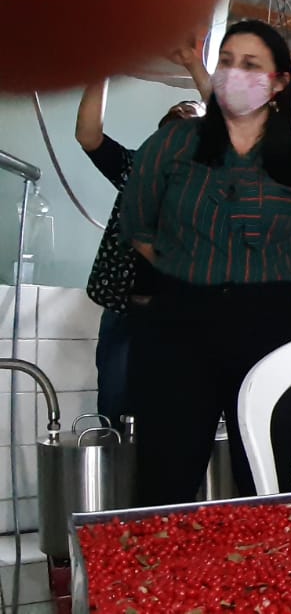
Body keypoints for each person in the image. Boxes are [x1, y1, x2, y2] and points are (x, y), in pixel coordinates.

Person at [119, 19, 291, 506]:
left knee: (264, 478)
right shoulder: (171, 147)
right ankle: (159, 579)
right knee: (165, 479)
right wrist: (192, 268)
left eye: (250, 65)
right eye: (225, 61)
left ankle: (261, 577)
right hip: (177, 325)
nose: (233, 74)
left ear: (279, 81)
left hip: (269, 328)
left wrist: (261, 272)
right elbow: (137, 225)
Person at [76, 38, 210, 432]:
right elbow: (88, 135)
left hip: (180, 317)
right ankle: (121, 492)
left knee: (171, 418)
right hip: (125, 312)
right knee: (115, 411)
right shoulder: (138, 172)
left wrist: (196, 68)